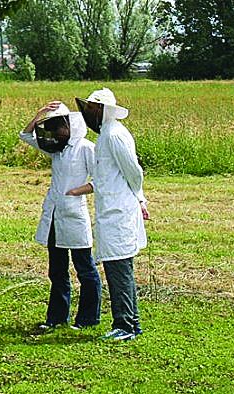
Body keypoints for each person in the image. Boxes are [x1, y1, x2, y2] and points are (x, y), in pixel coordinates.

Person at [68, 88, 148, 342]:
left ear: (102, 110)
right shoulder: (105, 135)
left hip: (118, 212)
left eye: (92, 108)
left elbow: (134, 171)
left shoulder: (114, 135)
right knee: (117, 267)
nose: (88, 113)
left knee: (119, 268)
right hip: (111, 210)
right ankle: (128, 322)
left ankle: (126, 325)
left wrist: (139, 198)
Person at [19, 101, 100, 330]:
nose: (53, 131)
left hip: (74, 213)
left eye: (57, 125)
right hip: (54, 214)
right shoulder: (57, 147)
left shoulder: (85, 148)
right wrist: (39, 114)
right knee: (57, 269)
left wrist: (77, 191)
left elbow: (100, 180)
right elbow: (25, 136)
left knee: (84, 268)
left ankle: (87, 318)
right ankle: (56, 318)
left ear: (69, 125)